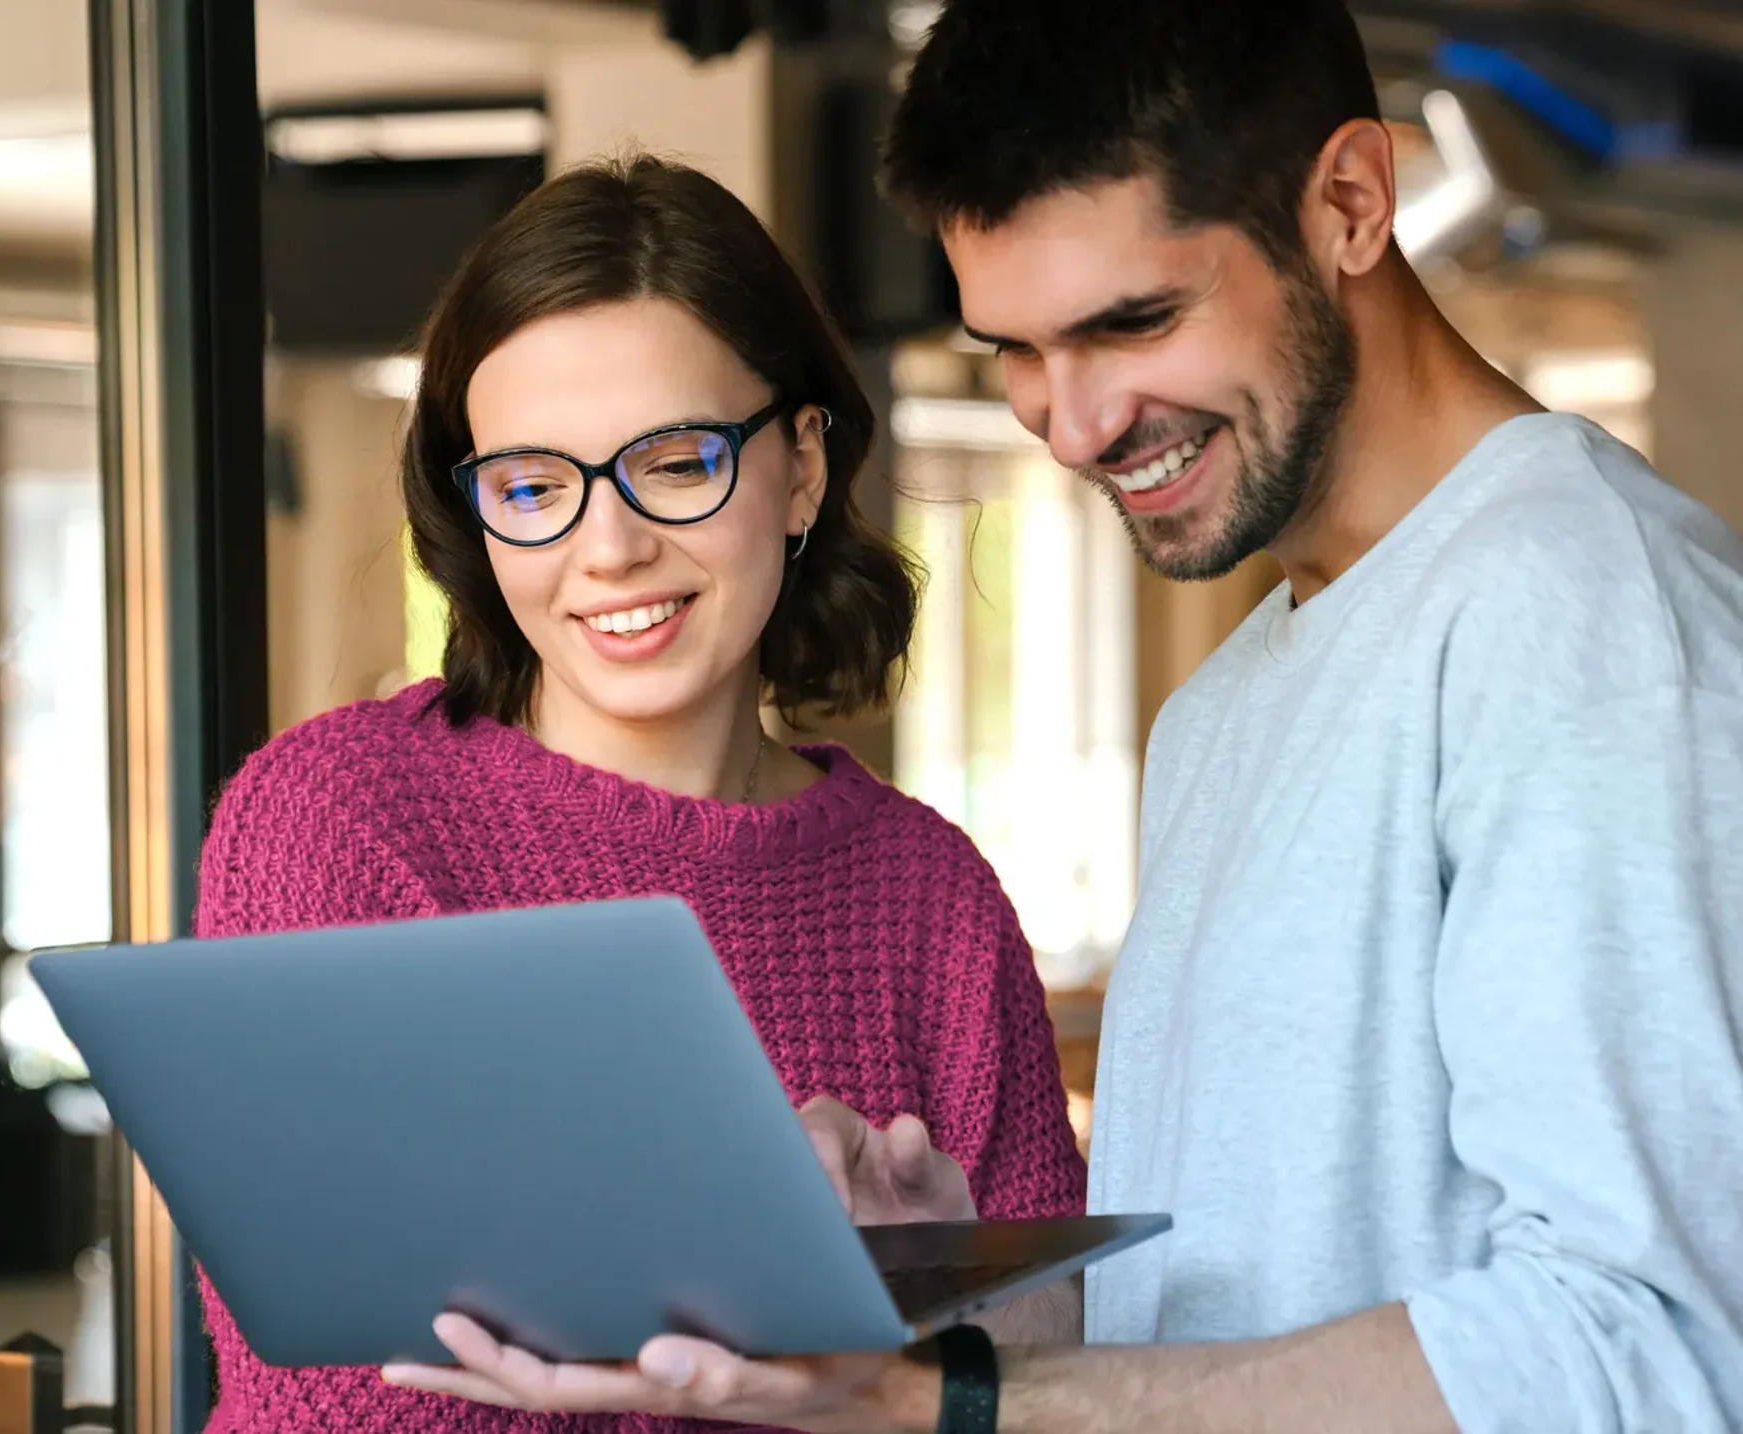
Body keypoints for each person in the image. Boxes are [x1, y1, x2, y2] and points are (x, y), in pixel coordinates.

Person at [385, 2, 1743, 1431]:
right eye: (1017, 349)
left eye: (1134, 320)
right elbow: (1210, 1333)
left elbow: (1659, 1348)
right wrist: (953, 1308)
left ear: (1349, 202)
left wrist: (952, 1409)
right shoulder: (1228, 707)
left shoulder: (1589, 620)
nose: (1077, 422)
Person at [193, 152, 1087, 1433]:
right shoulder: (338, 819)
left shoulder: (932, 898)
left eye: (674, 462)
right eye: (533, 487)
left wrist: (930, 1309)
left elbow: (1048, 1382)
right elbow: (335, 1400)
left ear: (802, 468)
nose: (607, 548)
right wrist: (783, 1317)